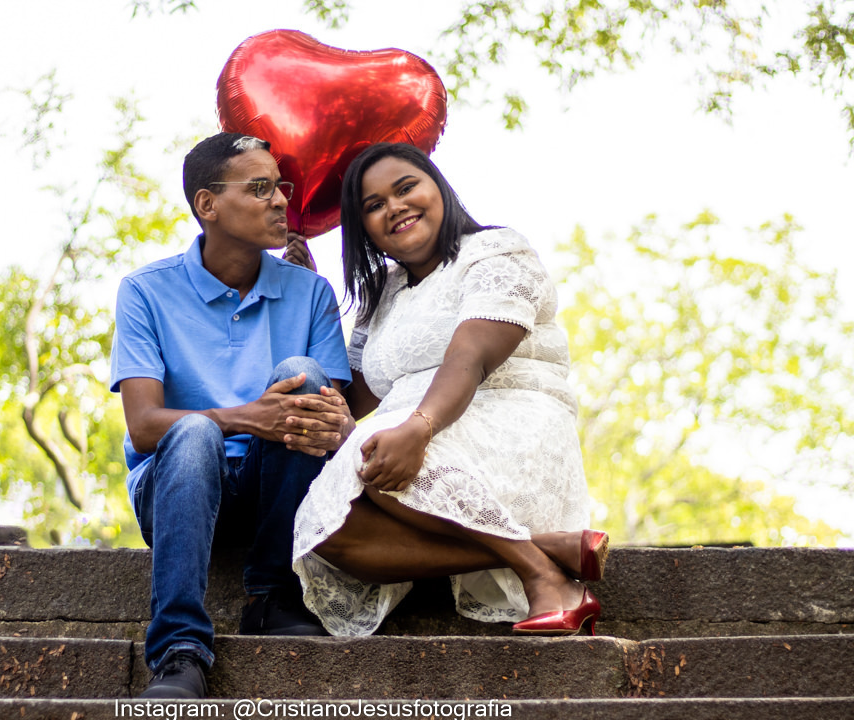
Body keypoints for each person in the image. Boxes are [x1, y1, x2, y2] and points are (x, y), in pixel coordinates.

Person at [292, 142, 609, 637]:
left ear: (438, 188)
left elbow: (471, 356)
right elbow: (353, 398)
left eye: (405, 188)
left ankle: (541, 574)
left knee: (374, 453)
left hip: (509, 422)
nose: (394, 207)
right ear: (363, 228)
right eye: (374, 205)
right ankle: (548, 549)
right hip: (410, 433)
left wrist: (419, 428)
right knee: (326, 531)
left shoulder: (497, 251)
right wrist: (302, 295)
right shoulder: (382, 294)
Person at [111, 132, 354, 698]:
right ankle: (178, 651)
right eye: (260, 188)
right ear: (208, 204)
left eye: (281, 187)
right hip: (178, 492)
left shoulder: (311, 293)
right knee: (193, 431)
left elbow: (326, 423)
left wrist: (330, 422)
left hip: (279, 496)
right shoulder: (145, 292)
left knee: (304, 374)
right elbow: (144, 427)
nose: (281, 201)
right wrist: (247, 418)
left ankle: (273, 595)